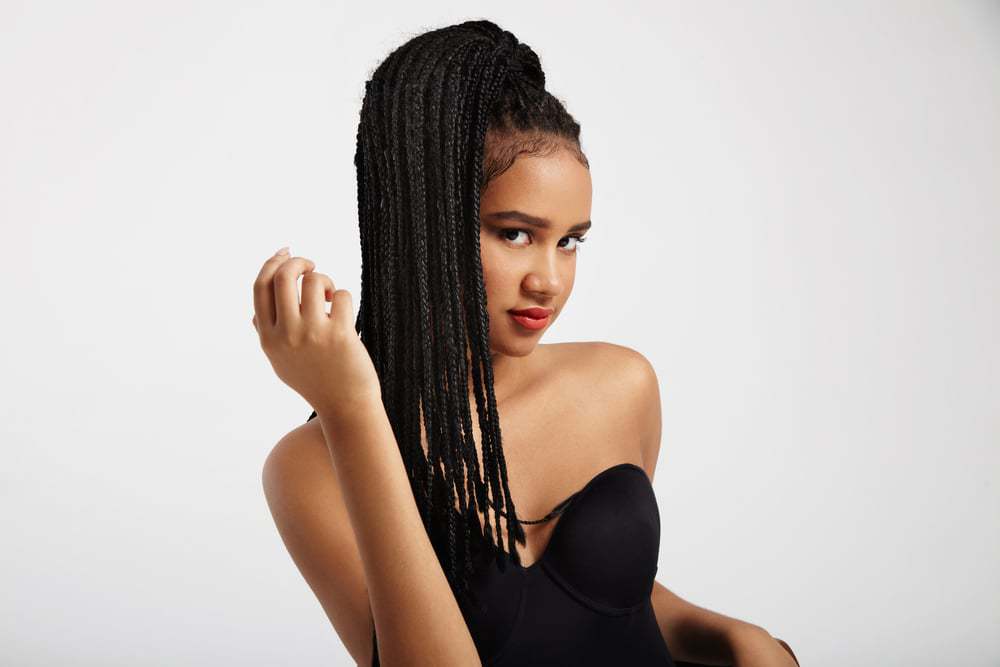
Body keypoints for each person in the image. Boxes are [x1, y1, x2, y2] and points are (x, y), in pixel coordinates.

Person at [253, 19, 799, 667]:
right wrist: (353, 410)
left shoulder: (621, 385)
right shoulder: (312, 466)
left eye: (569, 240)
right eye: (515, 233)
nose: (550, 280)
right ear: (425, 220)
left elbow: (602, 602)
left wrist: (725, 635)